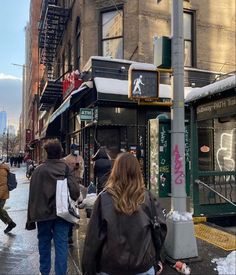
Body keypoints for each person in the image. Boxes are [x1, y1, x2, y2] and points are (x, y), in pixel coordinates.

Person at [82, 152, 166, 275]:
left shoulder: (104, 199)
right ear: (137, 172)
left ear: (115, 171)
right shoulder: (147, 197)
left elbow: (93, 239)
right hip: (142, 266)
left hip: (110, 267)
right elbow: (160, 230)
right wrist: (158, 258)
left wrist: (88, 269)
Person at [26, 139, 80, 275]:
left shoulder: (38, 171)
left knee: (43, 243)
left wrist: (30, 219)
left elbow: (33, 196)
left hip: (42, 214)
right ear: (60, 152)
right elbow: (75, 193)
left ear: (46, 153)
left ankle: (44, 272)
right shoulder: (66, 168)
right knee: (61, 245)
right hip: (62, 214)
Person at [64, 143, 84, 244]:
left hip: (77, 184)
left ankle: (72, 225)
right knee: (70, 207)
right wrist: (73, 169)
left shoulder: (80, 158)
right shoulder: (66, 159)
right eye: (74, 148)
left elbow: (83, 169)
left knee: (75, 207)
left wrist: (80, 175)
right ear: (71, 149)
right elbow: (65, 171)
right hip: (69, 185)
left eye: (77, 148)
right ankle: (69, 232)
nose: (76, 150)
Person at [0, 161, 16, 234]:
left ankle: (10, 223)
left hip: (2, 194)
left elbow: (3, 185)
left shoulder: (2, 170)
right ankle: (10, 223)